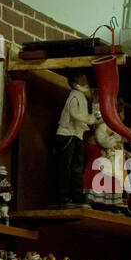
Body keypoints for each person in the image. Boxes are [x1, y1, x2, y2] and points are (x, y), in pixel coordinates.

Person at [53, 72, 92, 206]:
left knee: (76, 166)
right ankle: (63, 195)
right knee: (66, 167)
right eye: (82, 77)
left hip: (76, 135)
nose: (85, 78)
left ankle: (76, 195)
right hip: (67, 135)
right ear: (75, 81)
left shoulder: (80, 96)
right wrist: (91, 120)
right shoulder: (75, 95)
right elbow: (75, 114)